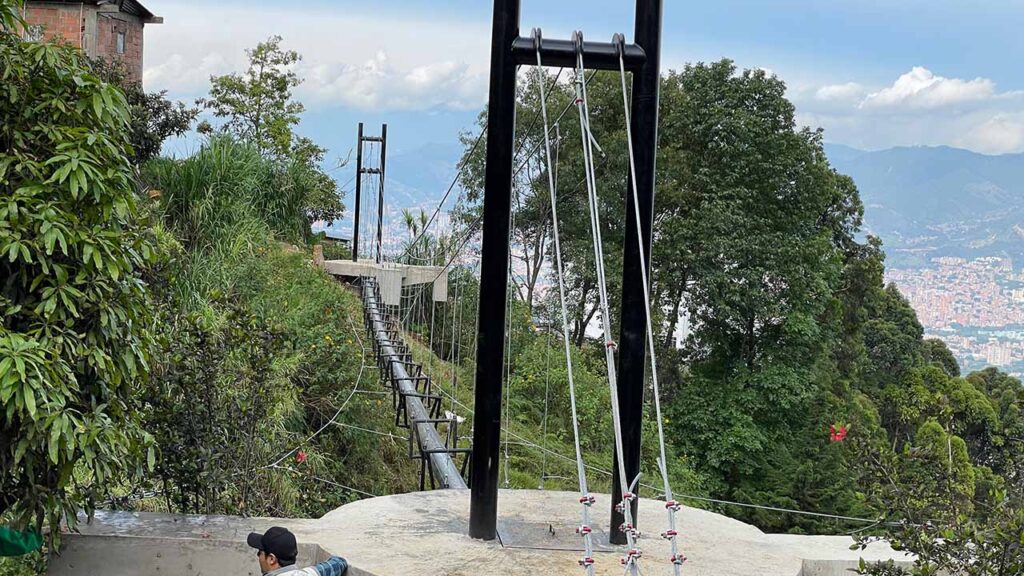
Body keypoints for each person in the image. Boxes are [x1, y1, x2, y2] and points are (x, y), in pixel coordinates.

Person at [247, 526, 348, 576]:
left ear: (272, 559)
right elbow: (339, 563)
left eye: (260, 552)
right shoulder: (309, 574)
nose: (258, 556)